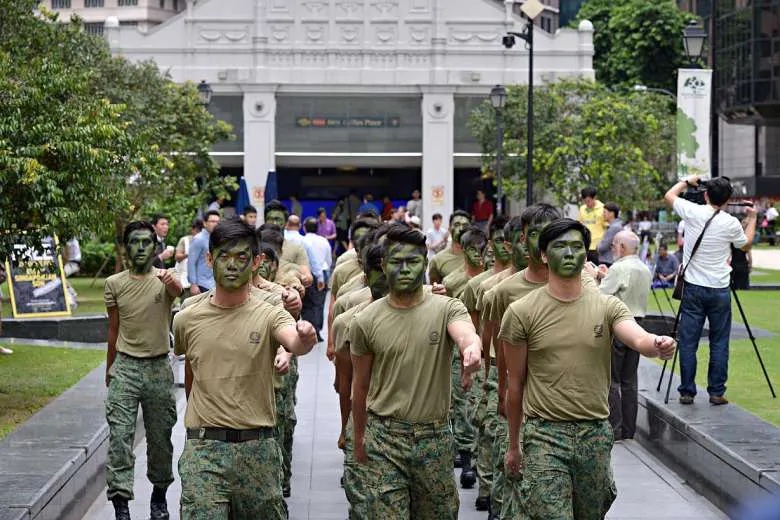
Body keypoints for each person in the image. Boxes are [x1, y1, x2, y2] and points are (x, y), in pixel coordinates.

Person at [500, 219, 676, 520]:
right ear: (543, 255)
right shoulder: (521, 312)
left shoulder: (607, 306)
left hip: (593, 434)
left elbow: (637, 337)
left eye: (576, 247)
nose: (569, 253)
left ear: (586, 255)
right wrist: (514, 444)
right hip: (544, 434)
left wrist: (657, 344)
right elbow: (514, 385)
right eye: (560, 246)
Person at [173, 218, 317, 519]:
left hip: (258, 448)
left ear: (257, 262)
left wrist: (305, 338)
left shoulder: (269, 313)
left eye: (242, 257)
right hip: (205, 451)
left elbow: (293, 340)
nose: (232, 265)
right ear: (209, 259)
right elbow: (193, 372)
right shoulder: (187, 317)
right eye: (224, 256)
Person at [349, 226, 482, 519]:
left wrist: (472, 348)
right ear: (383, 265)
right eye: (396, 262)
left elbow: (466, 334)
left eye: (413, 261)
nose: (405, 269)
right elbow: (359, 387)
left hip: (433, 438)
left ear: (425, 264)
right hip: (385, 437)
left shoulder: (447, 307)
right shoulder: (365, 321)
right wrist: (359, 439)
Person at [104, 221, 182, 520]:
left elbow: (178, 291)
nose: (140, 248)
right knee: (120, 437)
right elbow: (113, 329)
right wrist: (109, 368)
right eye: (134, 242)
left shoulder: (165, 281)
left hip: (158, 367)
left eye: (146, 243)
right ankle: (120, 502)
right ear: (126, 248)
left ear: (155, 247)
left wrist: (172, 283)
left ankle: (159, 497)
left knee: (160, 437)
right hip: (125, 366)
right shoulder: (114, 283)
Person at [664, 175, 757, 405]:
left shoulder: (693, 212)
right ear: (727, 199)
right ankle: (716, 392)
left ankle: (687, 390)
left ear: (706, 194)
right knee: (719, 341)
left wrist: (687, 181)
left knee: (688, 342)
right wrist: (753, 218)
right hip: (719, 289)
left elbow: (669, 195)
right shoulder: (731, 222)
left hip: (693, 288)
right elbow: (745, 245)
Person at [588, 231, 652, 441]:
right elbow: (624, 287)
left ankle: (615, 429)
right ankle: (629, 429)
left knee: (612, 380)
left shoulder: (620, 268)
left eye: (615, 245)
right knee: (629, 380)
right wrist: (604, 275)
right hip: (638, 323)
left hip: (619, 325)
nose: (613, 248)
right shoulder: (644, 268)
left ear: (622, 247)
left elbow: (599, 297)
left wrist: (592, 277)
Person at [265, 200, 313, 287]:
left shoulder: (296, 248)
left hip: (287, 295)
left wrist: (302, 277)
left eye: (277, 219)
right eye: (269, 219)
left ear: (286, 223)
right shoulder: (256, 246)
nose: (273, 223)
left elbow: (307, 276)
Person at [302, 217, 332, 336]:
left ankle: (308, 329)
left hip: (307, 274)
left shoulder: (302, 241)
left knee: (307, 303)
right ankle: (317, 329)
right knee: (320, 303)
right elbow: (329, 260)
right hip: (323, 273)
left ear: (304, 228)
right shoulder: (324, 241)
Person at [428, 210, 471, 284]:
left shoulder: (478, 257)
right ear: (449, 229)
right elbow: (434, 290)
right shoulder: (437, 260)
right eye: (457, 225)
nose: (461, 229)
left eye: (465, 225)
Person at [187, 210, 221, 295]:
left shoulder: (217, 238)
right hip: (202, 284)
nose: (215, 224)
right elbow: (191, 262)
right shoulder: (199, 239)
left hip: (214, 283)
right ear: (205, 223)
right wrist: (193, 284)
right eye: (212, 221)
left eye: (218, 222)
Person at [175, 219, 203, 296]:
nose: (198, 233)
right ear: (192, 230)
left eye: (200, 231)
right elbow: (177, 257)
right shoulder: (185, 240)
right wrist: (188, 254)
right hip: (186, 280)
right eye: (197, 231)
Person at [578, 186, 606, 264]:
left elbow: (607, 226)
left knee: (597, 271)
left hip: (597, 247)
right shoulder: (582, 208)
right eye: (585, 201)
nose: (587, 204)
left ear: (595, 198)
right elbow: (579, 224)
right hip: (584, 246)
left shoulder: (603, 208)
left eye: (589, 201)